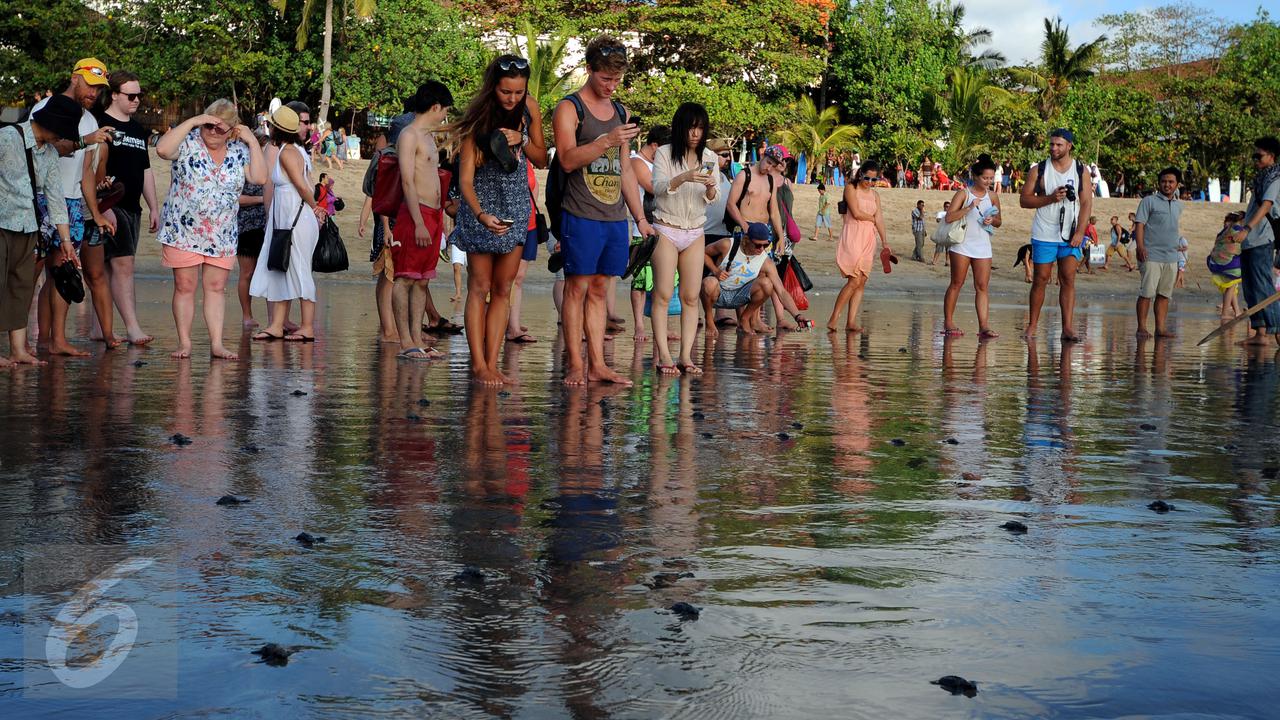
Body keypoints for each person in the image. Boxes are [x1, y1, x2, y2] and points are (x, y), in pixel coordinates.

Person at [551, 35, 651, 386]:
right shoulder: (570, 108)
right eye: (605, 78)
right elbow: (566, 160)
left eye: (617, 79)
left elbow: (626, 171)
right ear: (589, 69)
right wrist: (606, 140)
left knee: (600, 289)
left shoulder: (621, 112)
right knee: (576, 288)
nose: (611, 86)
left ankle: (598, 364)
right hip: (580, 212)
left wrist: (640, 218)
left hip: (614, 217)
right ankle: (576, 364)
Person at [451, 55, 547, 384]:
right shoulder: (478, 119)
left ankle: (493, 363)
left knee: (504, 288)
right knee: (479, 287)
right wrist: (481, 215)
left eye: (519, 92)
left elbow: (542, 158)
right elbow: (465, 181)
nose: (512, 98)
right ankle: (478, 365)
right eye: (506, 92)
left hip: (515, 206)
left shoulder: (529, 109)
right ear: (493, 87)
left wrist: (523, 139)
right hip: (480, 208)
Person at [156, 99, 266, 359]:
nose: (213, 132)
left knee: (216, 287)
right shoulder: (188, 142)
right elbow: (162, 150)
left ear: (232, 130)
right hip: (183, 229)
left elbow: (260, 177)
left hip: (222, 232)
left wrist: (252, 140)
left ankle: (217, 343)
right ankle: (185, 342)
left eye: (220, 128)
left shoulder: (239, 150)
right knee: (185, 285)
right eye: (209, 126)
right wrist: (195, 121)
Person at [31, 58, 117, 355]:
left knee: (63, 272)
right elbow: (44, 148)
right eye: (90, 85)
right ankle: (27, 342)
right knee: (31, 272)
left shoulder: (90, 119)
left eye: (99, 88)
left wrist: (96, 213)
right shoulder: (47, 108)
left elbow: (86, 176)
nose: (94, 92)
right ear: (74, 78)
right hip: (41, 197)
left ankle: (56, 340)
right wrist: (85, 140)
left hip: (72, 201)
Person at [1, 95, 81, 368]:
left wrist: (66, 240)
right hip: (1, 223)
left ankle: (18, 350)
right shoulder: (7, 138)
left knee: (21, 287)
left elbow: (56, 198)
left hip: (28, 226)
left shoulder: (49, 153)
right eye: (62, 131)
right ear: (51, 123)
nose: (62, 138)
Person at [649, 102, 718, 375]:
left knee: (690, 296)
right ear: (680, 128)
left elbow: (713, 198)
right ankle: (664, 356)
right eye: (690, 127)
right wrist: (684, 177)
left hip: (695, 230)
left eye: (700, 128)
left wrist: (710, 188)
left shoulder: (709, 157)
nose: (695, 133)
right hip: (665, 227)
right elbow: (657, 188)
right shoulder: (664, 153)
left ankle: (686, 356)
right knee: (663, 293)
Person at [390, 81, 454, 360]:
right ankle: (405, 340)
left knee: (422, 280)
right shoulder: (409, 135)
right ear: (435, 106)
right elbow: (407, 180)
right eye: (445, 110)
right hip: (415, 213)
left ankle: (417, 338)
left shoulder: (429, 136)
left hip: (434, 213)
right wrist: (417, 222)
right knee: (405, 277)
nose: (445, 115)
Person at [94, 69, 156, 346]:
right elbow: (92, 167)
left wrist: (154, 206)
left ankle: (99, 326)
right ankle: (132, 328)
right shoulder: (100, 124)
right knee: (123, 265)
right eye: (131, 96)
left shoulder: (137, 129)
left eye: (139, 95)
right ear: (114, 95)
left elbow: (146, 170)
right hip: (109, 204)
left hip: (133, 207)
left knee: (108, 268)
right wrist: (102, 205)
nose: (136, 100)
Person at [1021, 128, 1092, 342]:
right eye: (1051, 144)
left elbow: (1087, 203)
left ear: (1069, 146)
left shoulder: (1081, 170)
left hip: (1070, 233)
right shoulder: (1039, 169)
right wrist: (1050, 198)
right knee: (1041, 279)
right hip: (1044, 231)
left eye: (1059, 144)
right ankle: (1032, 325)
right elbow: (1024, 200)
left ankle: (1067, 327)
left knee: (1068, 278)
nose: (1054, 148)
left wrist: (1080, 232)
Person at [940, 154, 1001, 339]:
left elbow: (999, 221)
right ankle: (948, 322)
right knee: (956, 283)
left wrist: (992, 220)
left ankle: (984, 326)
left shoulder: (993, 196)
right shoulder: (963, 194)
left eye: (991, 178)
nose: (988, 182)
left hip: (983, 245)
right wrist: (969, 208)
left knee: (982, 286)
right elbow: (949, 217)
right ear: (975, 176)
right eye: (985, 178)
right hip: (962, 244)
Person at [828, 160, 891, 333]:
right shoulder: (851, 188)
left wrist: (885, 242)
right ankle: (834, 318)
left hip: (869, 237)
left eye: (874, 180)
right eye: (867, 178)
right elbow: (855, 213)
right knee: (854, 279)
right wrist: (873, 219)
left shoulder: (875, 195)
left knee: (862, 281)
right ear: (860, 174)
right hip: (853, 235)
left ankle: (851, 321)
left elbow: (880, 218)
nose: (869, 182)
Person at [1232, 136, 1280, 346]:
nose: (1255, 160)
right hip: (1250, 240)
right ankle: (1260, 333)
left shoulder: (1275, 178)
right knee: (1250, 288)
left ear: (1271, 156)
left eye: (1258, 156)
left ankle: (1277, 330)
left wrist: (1247, 228)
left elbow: (1267, 205)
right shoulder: (1262, 178)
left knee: (1263, 286)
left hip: (1262, 238)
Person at [700, 223, 788, 338]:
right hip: (719, 293)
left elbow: (781, 291)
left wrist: (797, 316)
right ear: (747, 240)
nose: (762, 249)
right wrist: (716, 271)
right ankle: (709, 320)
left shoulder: (765, 260)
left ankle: (745, 319)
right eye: (758, 245)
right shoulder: (728, 244)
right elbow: (703, 252)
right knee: (709, 283)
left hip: (739, 295)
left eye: (766, 245)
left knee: (766, 283)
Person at [628, 125, 670, 343]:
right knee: (641, 280)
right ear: (655, 145)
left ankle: (661, 327)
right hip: (641, 228)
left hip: (663, 227)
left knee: (664, 280)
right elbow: (652, 187)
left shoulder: (658, 164)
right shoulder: (636, 162)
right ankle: (638, 325)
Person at [1133, 167, 1184, 339]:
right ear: (1158, 183)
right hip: (1150, 254)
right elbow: (1139, 224)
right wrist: (1140, 247)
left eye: (1171, 182)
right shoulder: (1148, 201)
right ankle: (1141, 327)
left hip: (1171, 256)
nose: (1167, 185)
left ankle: (1160, 329)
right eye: (1163, 181)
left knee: (1164, 294)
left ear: (1177, 184)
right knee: (1147, 293)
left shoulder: (1179, 205)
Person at [358, 131, 398, 343]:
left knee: (388, 276)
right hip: (389, 225)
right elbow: (379, 198)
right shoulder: (391, 159)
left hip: (387, 225)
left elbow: (373, 198)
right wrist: (382, 226)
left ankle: (389, 328)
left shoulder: (388, 158)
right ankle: (388, 330)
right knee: (389, 276)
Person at [236, 134, 268, 328]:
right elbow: (236, 198)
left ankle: (276, 319)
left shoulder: (271, 168)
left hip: (267, 225)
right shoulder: (243, 166)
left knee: (271, 272)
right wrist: (262, 200)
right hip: (245, 225)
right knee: (247, 273)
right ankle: (246, 316)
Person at [1208, 211, 1244, 323]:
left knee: (1231, 287)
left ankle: (1237, 311)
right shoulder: (1238, 230)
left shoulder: (1224, 231)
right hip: (1229, 265)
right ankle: (1225, 313)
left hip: (1217, 262)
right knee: (1231, 287)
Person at [930, 201, 950, 267]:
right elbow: (938, 220)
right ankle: (934, 261)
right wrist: (946, 218)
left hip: (948, 232)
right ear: (944, 207)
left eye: (949, 206)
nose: (948, 208)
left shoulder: (951, 213)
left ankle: (947, 261)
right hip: (941, 232)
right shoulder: (941, 213)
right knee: (939, 248)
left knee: (948, 249)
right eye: (946, 206)